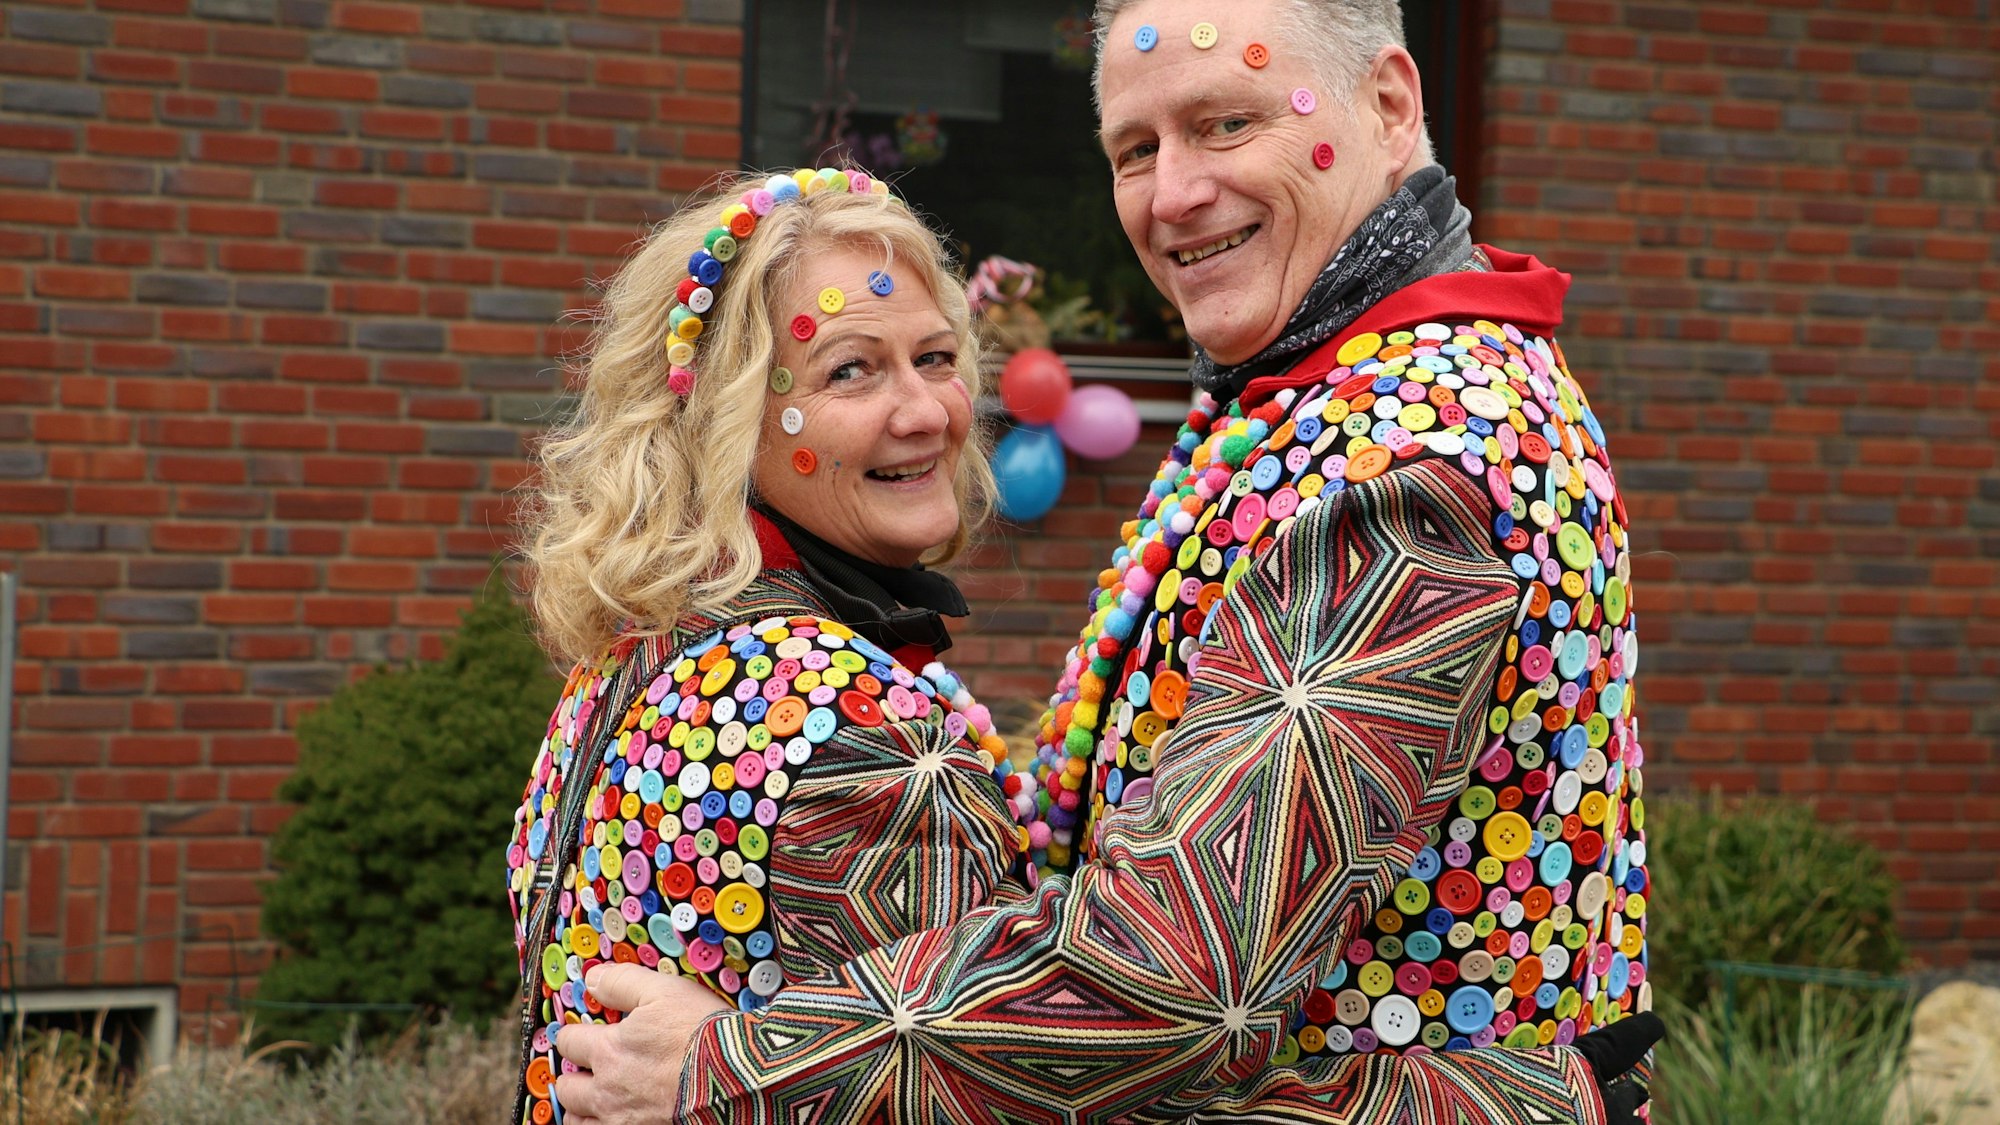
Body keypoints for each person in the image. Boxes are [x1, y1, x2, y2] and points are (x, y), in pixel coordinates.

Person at [537, 17, 1658, 1115]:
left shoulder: (1413, 456)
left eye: (1223, 123)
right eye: (1134, 150)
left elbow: (1175, 978)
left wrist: (735, 1064)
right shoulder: (1308, 399)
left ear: (1392, 101)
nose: (1170, 195)